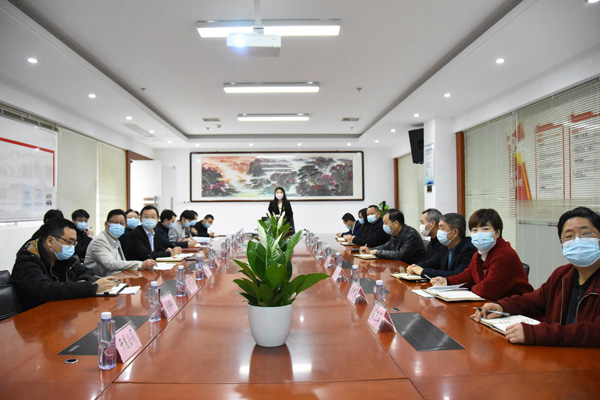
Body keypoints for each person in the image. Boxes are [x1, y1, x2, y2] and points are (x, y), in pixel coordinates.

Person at [473, 207, 600, 347]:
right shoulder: (563, 275)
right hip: (561, 357)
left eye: (587, 233)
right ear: (562, 244)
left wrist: (539, 333)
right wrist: (502, 306)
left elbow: (594, 331)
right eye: (569, 236)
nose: (578, 241)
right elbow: (533, 300)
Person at [8, 218, 117, 311]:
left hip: (60, 311)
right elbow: (46, 290)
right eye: (69, 242)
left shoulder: (62, 257)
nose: (72, 247)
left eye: (74, 243)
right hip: (32, 320)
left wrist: (83, 282)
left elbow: (88, 272)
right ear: (50, 241)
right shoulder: (27, 261)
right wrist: (91, 287)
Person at [430, 209, 533, 300]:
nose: (479, 233)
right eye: (475, 230)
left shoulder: (504, 254)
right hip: (492, 305)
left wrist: (472, 287)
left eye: (485, 229)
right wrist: (447, 281)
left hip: (515, 309)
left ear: (497, 233)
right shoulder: (480, 253)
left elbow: (488, 291)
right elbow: (468, 275)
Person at [84, 209, 156, 276]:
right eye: (115, 222)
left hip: (117, 278)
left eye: (121, 223)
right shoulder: (100, 241)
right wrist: (140, 264)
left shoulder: (116, 240)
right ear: (106, 224)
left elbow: (121, 263)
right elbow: (111, 264)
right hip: (100, 280)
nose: (118, 226)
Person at [407, 213, 477, 278]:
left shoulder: (469, 248)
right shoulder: (445, 246)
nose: (438, 232)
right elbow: (432, 263)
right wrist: (415, 266)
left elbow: (457, 275)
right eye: (438, 228)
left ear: (455, 232)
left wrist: (423, 271)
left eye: (442, 228)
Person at [360, 209, 426, 264]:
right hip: (400, 265)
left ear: (396, 223)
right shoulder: (395, 232)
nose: (384, 225)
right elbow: (387, 246)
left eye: (386, 223)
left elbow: (400, 255)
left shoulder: (411, 235)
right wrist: (371, 250)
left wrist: (377, 252)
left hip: (412, 268)